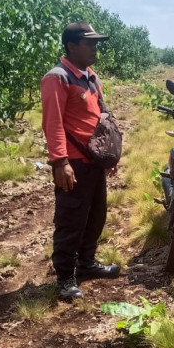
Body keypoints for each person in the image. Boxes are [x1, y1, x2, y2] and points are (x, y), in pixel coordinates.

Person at [41, 22, 121, 301]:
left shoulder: (90, 76)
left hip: (94, 162)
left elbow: (101, 117)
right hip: (73, 164)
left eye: (96, 43)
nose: (95, 48)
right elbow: (53, 124)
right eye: (90, 43)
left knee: (96, 216)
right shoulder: (57, 78)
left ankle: (87, 264)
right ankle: (65, 278)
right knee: (71, 221)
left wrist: (109, 152)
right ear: (72, 46)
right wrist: (60, 162)